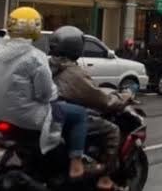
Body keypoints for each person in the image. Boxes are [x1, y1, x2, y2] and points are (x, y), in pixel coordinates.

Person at [0, 7, 93, 180]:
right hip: (26, 118)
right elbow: (45, 94)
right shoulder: (35, 57)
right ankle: (76, 163)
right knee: (79, 115)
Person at [49, 26, 131, 191]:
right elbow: (103, 100)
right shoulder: (72, 72)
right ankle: (104, 176)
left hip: (47, 114)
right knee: (113, 130)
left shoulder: (48, 64)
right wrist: (123, 97)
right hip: (64, 116)